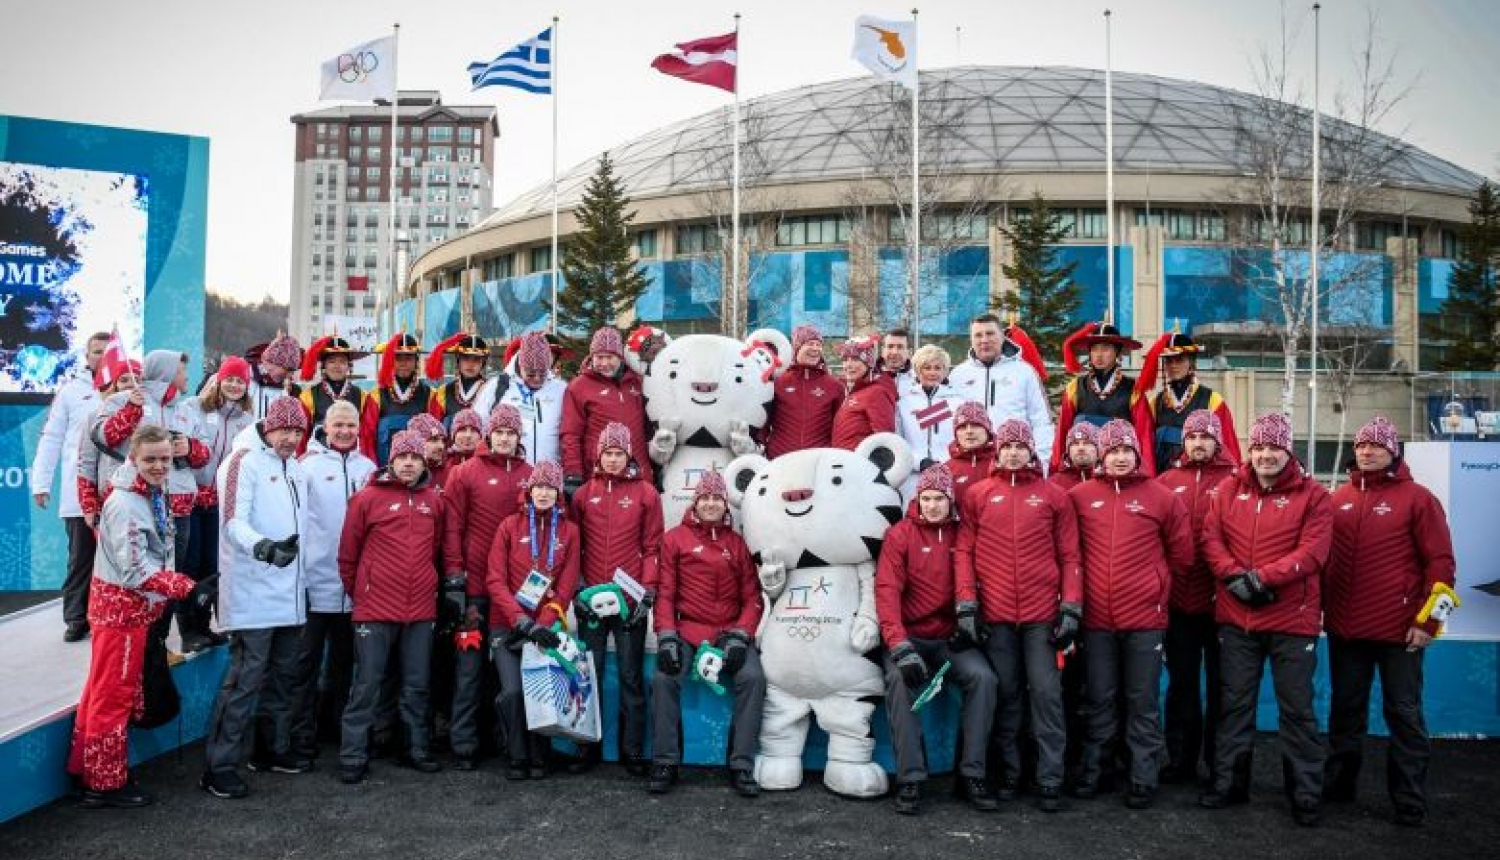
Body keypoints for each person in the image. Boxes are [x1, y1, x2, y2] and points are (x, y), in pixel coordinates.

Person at [1198, 413, 1332, 826]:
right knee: (1234, 705)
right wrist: (1235, 576)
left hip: (1292, 618)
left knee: (1296, 709)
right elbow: (1211, 539)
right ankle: (1229, 784)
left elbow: (1314, 551)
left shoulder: (1314, 495)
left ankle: (1305, 793)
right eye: (1258, 447)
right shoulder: (1227, 489)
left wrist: (1264, 578)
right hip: (1237, 618)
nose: (1265, 455)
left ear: (1287, 450)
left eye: (1274, 447)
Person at [1323, 417, 1457, 827]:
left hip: (1401, 631)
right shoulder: (1337, 498)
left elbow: (1443, 564)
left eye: (1376, 446)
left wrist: (1430, 622)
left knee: (1403, 713)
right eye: (1362, 445)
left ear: (1393, 450)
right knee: (1345, 711)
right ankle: (1339, 787)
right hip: (1346, 629)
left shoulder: (1419, 499)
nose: (1367, 452)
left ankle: (1409, 799)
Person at [67, 425, 203, 808]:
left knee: (99, 691)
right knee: (114, 697)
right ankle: (105, 783)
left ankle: (86, 769)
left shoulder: (149, 491)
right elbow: (134, 571)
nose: (160, 466)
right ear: (133, 457)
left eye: (165, 458)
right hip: (121, 611)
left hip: (127, 609)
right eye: (151, 459)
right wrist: (184, 587)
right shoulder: (126, 502)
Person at [955, 420, 1081, 812]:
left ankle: (1049, 778)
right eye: (1006, 446)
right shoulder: (978, 494)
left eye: (1019, 446)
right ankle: (1010, 773)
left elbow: (1070, 555)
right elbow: (964, 552)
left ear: (1031, 451)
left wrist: (1071, 607)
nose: (1012, 453)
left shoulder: (1054, 495)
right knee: (1007, 695)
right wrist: (966, 603)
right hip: (997, 614)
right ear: (998, 450)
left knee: (1046, 695)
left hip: (1043, 615)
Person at [1069, 419, 1193, 809]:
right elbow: (1070, 553)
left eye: (1127, 451)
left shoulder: (1162, 497)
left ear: (1137, 454)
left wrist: (1153, 587)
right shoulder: (1080, 496)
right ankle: (1097, 769)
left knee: (1142, 699)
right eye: (1113, 451)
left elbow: (1182, 555)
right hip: (1097, 619)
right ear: (1102, 455)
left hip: (1144, 618)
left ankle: (1143, 774)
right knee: (1101, 697)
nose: (1120, 458)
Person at [201, 396, 311, 800]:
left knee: (283, 679)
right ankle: (219, 765)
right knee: (244, 682)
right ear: (269, 427)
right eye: (285, 430)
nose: (291, 438)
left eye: (298, 431)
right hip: (251, 593)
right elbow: (232, 522)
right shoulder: (241, 461)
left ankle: (269, 750)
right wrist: (263, 548)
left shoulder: (296, 468)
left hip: (289, 594)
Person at [882, 464, 1001, 814]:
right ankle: (911, 778)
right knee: (899, 682)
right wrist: (899, 646)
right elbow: (887, 592)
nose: (933, 506)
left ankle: (972, 773)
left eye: (940, 499)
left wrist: (974, 623)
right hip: (909, 637)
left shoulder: (962, 535)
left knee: (984, 678)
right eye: (927, 498)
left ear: (951, 501)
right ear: (918, 499)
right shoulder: (900, 535)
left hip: (950, 638)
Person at [336, 430, 448, 783]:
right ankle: (353, 754)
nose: (409, 463)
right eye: (403, 457)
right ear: (392, 460)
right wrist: (364, 593)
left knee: (417, 684)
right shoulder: (367, 498)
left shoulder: (434, 500)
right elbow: (347, 556)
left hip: (419, 609)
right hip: (375, 608)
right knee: (367, 684)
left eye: (415, 458)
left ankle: (414, 748)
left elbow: (436, 549)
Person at [649, 470, 765, 797]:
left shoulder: (736, 543)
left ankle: (741, 763)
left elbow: (752, 597)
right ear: (695, 502)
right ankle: (666, 761)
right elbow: (666, 594)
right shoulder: (675, 539)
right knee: (663, 679)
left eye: (717, 498)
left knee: (753, 678)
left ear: (725, 503)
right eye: (705, 498)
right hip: (688, 630)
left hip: (728, 633)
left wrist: (742, 634)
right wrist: (667, 636)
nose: (711, 504)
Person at [89, 349, 208, 639]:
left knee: (173, 577)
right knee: (142, 575)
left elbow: (205, 455)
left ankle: (160, 643)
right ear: (167, 372)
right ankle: (143, 643)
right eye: (181, 370)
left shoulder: (186, 409)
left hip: (179, 509)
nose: (186, 375)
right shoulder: (125, 399)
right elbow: (103, 439)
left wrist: (190, 448)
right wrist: (131, 409)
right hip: (139, 504)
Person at [440, 404, 532, 769]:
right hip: (476, 588)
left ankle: (506, 738)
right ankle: (464, 742)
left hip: (515, 593)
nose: (505, 438)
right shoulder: (464, 473)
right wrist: (455, 577)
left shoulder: (530, 475)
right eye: (500, 432)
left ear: (519, 437)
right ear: (489, 435)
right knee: (470, 669)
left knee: (510, 670)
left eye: (512, 433)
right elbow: (452, 529)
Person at [570, 422, 664, 774]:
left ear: (628, 455)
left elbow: (653, 546)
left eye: (618, 454)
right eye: (607, 453)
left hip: (629, 601)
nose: (612, 460)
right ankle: (586, 748)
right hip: (592, 598)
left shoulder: (646, 494)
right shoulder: (582, 495)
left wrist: (648, 593)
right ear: (599, 454)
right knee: (587, 674)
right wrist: (577, 589)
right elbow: (574, 547)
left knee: (630, 675)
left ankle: (633, 750)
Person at [288, 400, 376, 759]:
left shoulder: (368, 468)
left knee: (342, 664)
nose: (344, 431)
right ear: (325, 426)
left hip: (351, 588)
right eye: (338, 424)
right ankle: (299, 736)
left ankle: (334, 726)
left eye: (351, 425)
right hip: (314, 582)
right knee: (304, 665)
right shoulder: (305, 467)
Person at [1155, 409, 1238, 784]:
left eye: (1205, 437)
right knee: (1182, 686)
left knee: (1224, 688)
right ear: (1184, 442)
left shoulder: (1236, 480)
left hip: (1223, 602)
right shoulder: (1166, 481)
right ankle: (1180, 760)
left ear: (1217, 441)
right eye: (1192, 437)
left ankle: (1220, 764)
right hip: (1179, 602)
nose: (1199, 443)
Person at [485, 460, 581, 780]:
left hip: (544, 626)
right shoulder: (508, 526)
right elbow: (494, 580)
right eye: (538, 487)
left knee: (539, 688)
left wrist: (542, 624)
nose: (543, 493)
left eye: (550, 488)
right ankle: (517, 754)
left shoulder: (569, 531)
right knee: (512, 691)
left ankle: (539, 755)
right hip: (507, 624)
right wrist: (519, 620)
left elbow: (566, 587)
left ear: (558, 493)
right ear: (529, 490)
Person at [30, 331, 108, 641]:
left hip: (118, 492)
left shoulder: (129, 388)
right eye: (96, 351)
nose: (101, 356)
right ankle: (76, 618)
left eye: (107, 351)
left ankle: (107, 616)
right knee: (80, 559)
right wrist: (41, 482)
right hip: (79, 495)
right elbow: (51, 437)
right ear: (87, 356)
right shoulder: (70, 392)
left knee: (118, 559)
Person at [178, 356, 257, 652]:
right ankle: (188, 629)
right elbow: (183, 447)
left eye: (240, 381)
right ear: (219, 381)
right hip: (192, 496)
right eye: (230, 379)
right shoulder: (193, 408)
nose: (235, 385)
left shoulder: (247, 421)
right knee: (191, 561)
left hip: (222, 501)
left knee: (213, 564)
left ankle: (205, 625)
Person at [947, 314, 1053, 467]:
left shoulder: (1025, 372)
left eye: (990, 333)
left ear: (1003, 336)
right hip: (970, 462)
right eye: (978, 335)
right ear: (971, 340)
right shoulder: (958, 375)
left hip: (1013, 461)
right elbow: (947, 422)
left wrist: (1042, 461)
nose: (984, 340)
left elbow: (1041, 421)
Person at [1052, 321, 1155, 476]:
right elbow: (1063, 432)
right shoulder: (1075, 387)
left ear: (1118, 354)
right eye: (1094, 349)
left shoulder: (1133, 389)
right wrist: (1057, 469)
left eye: (1106, 349)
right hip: (1082, 465)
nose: (1099, 355)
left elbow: (1144, 434)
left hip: (1118, 465)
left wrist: (1146, 473)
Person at [561, 327, 652, 498]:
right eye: (599, 357)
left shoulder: (637, 382)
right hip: (598, 475)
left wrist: (656, 466)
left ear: (620, 357)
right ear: (591, 357)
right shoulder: (579, 387)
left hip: (637, 474)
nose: (604, 363)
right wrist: (573, 475)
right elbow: (570, 434)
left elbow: (649, 428)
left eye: (609, 357)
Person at [1136, 331, 1242, 474]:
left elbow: (1227, 445)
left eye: (1179, 360)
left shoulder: (1212, 400)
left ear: (1191, 362)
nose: (1173, 365)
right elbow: (1147, 448)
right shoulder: (1155, 403)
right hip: (1163, 478)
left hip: (1201, 477)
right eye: (1169, 361)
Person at [477, 330, 566, 466]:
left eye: (542, 374)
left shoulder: (561, 389)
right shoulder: (498, 386)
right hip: (507, 472)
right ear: (520, 365)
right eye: (530, 374)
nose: (537, 379)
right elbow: (478, 425)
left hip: (548, 478)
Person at [762, 324, 845, 459]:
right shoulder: (778, 382)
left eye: (818, 345)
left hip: (819, 460)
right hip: (781, 459)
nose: (815, 348)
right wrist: (759, 443)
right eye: (810, 344)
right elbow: (764, 421)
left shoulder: (834, 386)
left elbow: (840, 427)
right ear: (797, 348)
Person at [359, 332, 431, 466]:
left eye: (408, 358)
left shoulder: (430, 395)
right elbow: (367, 438)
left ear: (416, 361)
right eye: (398, 358)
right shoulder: (376, 396)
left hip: (417, 468)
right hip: (384, 467)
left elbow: (434, 438)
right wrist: (373, 469)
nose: (403, 363)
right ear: (391, 361)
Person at [895, 344, 961, 471]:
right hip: (913, 472)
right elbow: (898, 441)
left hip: (948, 470)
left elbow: (962, 442)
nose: (932, 373)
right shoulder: (904, 403)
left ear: (945, 371)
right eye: (927, 368)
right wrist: (918, 462)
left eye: (937, 368)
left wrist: (949, 463)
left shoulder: (957, 403)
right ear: (918, 371)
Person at [831, 334, 897, 450]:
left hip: (861, 463)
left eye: (855, 359)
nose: (849, 365)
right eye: (845, 359)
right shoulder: (854, 391)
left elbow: (885, 439)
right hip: (844, 462)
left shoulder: (877, 392)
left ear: (868, 363)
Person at [296, 334, 366, 432]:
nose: (337, 366)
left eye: (342, 362)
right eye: (332, 361)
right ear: (324, 366)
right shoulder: (308, 396)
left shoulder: (362, 396)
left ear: (349, 366)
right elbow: (303, 432)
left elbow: (366, 433)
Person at [425, 333, 493, 430]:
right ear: (458, 361)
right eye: (466, 358)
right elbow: (433, 429)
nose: (470, 364)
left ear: (483, 363)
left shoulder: (492, 390)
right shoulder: (443, 393)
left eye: (476, 359)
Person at [946, 402, 996, 505]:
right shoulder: (946, 470)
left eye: (975, 425)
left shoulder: (1005, 464)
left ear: (988, 430)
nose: (969, 431)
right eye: (963, 427)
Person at [247, 334, 303, 418]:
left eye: (293, 371)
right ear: (273, 362)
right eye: (288, 369)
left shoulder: (282, 391)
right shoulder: (240, 378)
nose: (290, 375)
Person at [404, 412, 459, 492]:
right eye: (434, 440)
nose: (441, 446)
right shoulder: (402, 473)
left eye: (443, 441)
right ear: (417, 442)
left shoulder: (452, 472)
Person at [1050, 423, 1100, 492]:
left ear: (1098, 449)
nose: (1081, 448)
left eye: (1087, 443)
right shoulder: (1053, 483)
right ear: (1068, 450)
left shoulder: (1108, 482)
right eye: (1075, 443)